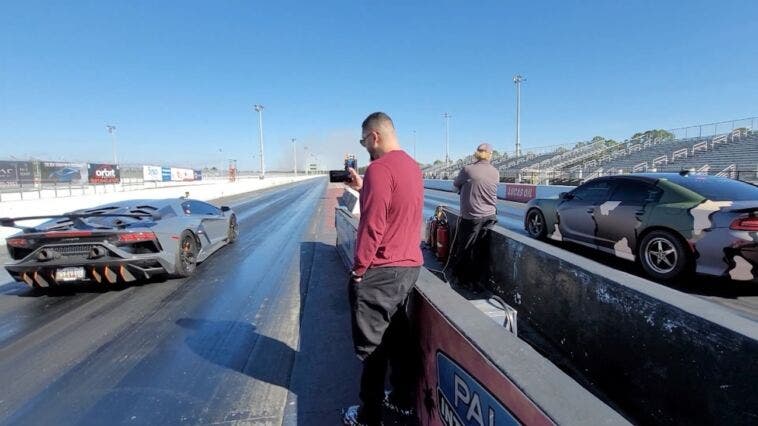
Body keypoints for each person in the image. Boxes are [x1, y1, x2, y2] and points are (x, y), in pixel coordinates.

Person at [341, 112, 423, 426]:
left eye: (364, 142)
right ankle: (403, 399)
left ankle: (368, 416)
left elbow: (373, 225)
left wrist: (359, 270)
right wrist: (364, 186)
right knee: (398, 339)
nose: (365, 149)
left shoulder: (379, 168)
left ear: (375, 136)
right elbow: (394, 205)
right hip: (409, 267)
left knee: (372, 349)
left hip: (380, 271)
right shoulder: (412, 167)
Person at [447, 143, 499, 291]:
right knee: (481, 251)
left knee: (465, 249)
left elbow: (454, 187)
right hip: (490, 216)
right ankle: (478, 282)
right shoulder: (495, 172)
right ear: (490, 155)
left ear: (476, 154)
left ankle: (462, 281)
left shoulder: (467, 169)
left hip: (471, 217)